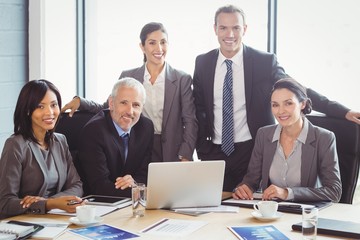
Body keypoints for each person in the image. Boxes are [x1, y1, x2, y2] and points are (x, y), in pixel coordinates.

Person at [193, 4, 360, 192]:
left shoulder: (264, 62)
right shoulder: (202, 62)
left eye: (236, 28)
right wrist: (201, 148)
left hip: (251, 151)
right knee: (212, 210)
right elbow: (198, 109)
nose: (229, 34)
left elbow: (298, 90)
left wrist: (343, 111)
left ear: (244, 29)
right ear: (215, 29)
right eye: (223, 28)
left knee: (247, 207)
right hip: (213, 153)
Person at [62, 22, 198, 163]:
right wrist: (81, 102)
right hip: (138, 146)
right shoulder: (129, 76)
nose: (159, 48)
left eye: (163, 42)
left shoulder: (182, 79)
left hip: (172, 151)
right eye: (152, 43)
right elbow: (109, 106)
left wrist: (186, 155)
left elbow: (190, 121)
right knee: (140, 184)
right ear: (142, 46)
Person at [232, 78, 342, 202]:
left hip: (305, 214)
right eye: (275, 105)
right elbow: (251, 180)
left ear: (303, 104)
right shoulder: (264, 134)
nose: (281, 111)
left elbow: (334, 191)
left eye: (288, 103)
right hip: (270, 212)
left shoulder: (324, 138)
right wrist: (244, 189)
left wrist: (287, 193)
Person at [0, 80, 83, 219]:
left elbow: (77, 185)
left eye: (54, 105)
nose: (49, 112)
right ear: (27, 110)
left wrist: (51, 203)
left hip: (55, 219)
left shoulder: (60, 140)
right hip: (24, 223)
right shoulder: (15, 145)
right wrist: (50, 204)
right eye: (40, 106)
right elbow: (5, 203)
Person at [77, 77, 154, 197]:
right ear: (111, 103)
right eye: (124, 103)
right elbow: (99, 186)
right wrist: (136, 189)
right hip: (98, 205)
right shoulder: (94, 131)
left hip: (129, 204)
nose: (130, 111)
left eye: (136, 105)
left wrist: (134, 183)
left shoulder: (146, 128)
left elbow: (143, 174)